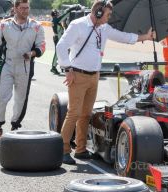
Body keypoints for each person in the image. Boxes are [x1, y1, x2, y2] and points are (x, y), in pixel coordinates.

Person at [56, 0, 156, 165]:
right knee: (73, 113)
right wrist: (68, 69)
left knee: (86, 114)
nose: (110, 17)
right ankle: (63, 149)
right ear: (99, 13)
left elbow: (124, 37)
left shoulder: (104, 28)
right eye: (108, 14)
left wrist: (145, 37)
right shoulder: (78, 25)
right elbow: (61, 46)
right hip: (78, 75)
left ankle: (80, 149)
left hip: (94, 76)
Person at [0, 0, 45, 137]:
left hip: (25, 66)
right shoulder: (4, 25)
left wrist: (32, 53)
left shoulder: (36, 26)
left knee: (21, 99)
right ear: (16, 9)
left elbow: (41, 46)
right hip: (7, 64)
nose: (26, 10)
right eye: (23, 8)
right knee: (2, 97)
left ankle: (15, 125)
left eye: (27, 8)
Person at [50, 9, 62, 75]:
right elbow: (63, 16)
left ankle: (56, 66)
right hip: (57, 38)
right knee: (57, 53)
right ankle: (53, 67)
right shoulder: (55, 20)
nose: (58, 14)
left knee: (59, 53)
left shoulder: (54, 20)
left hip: (57, 37)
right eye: (57, 13)